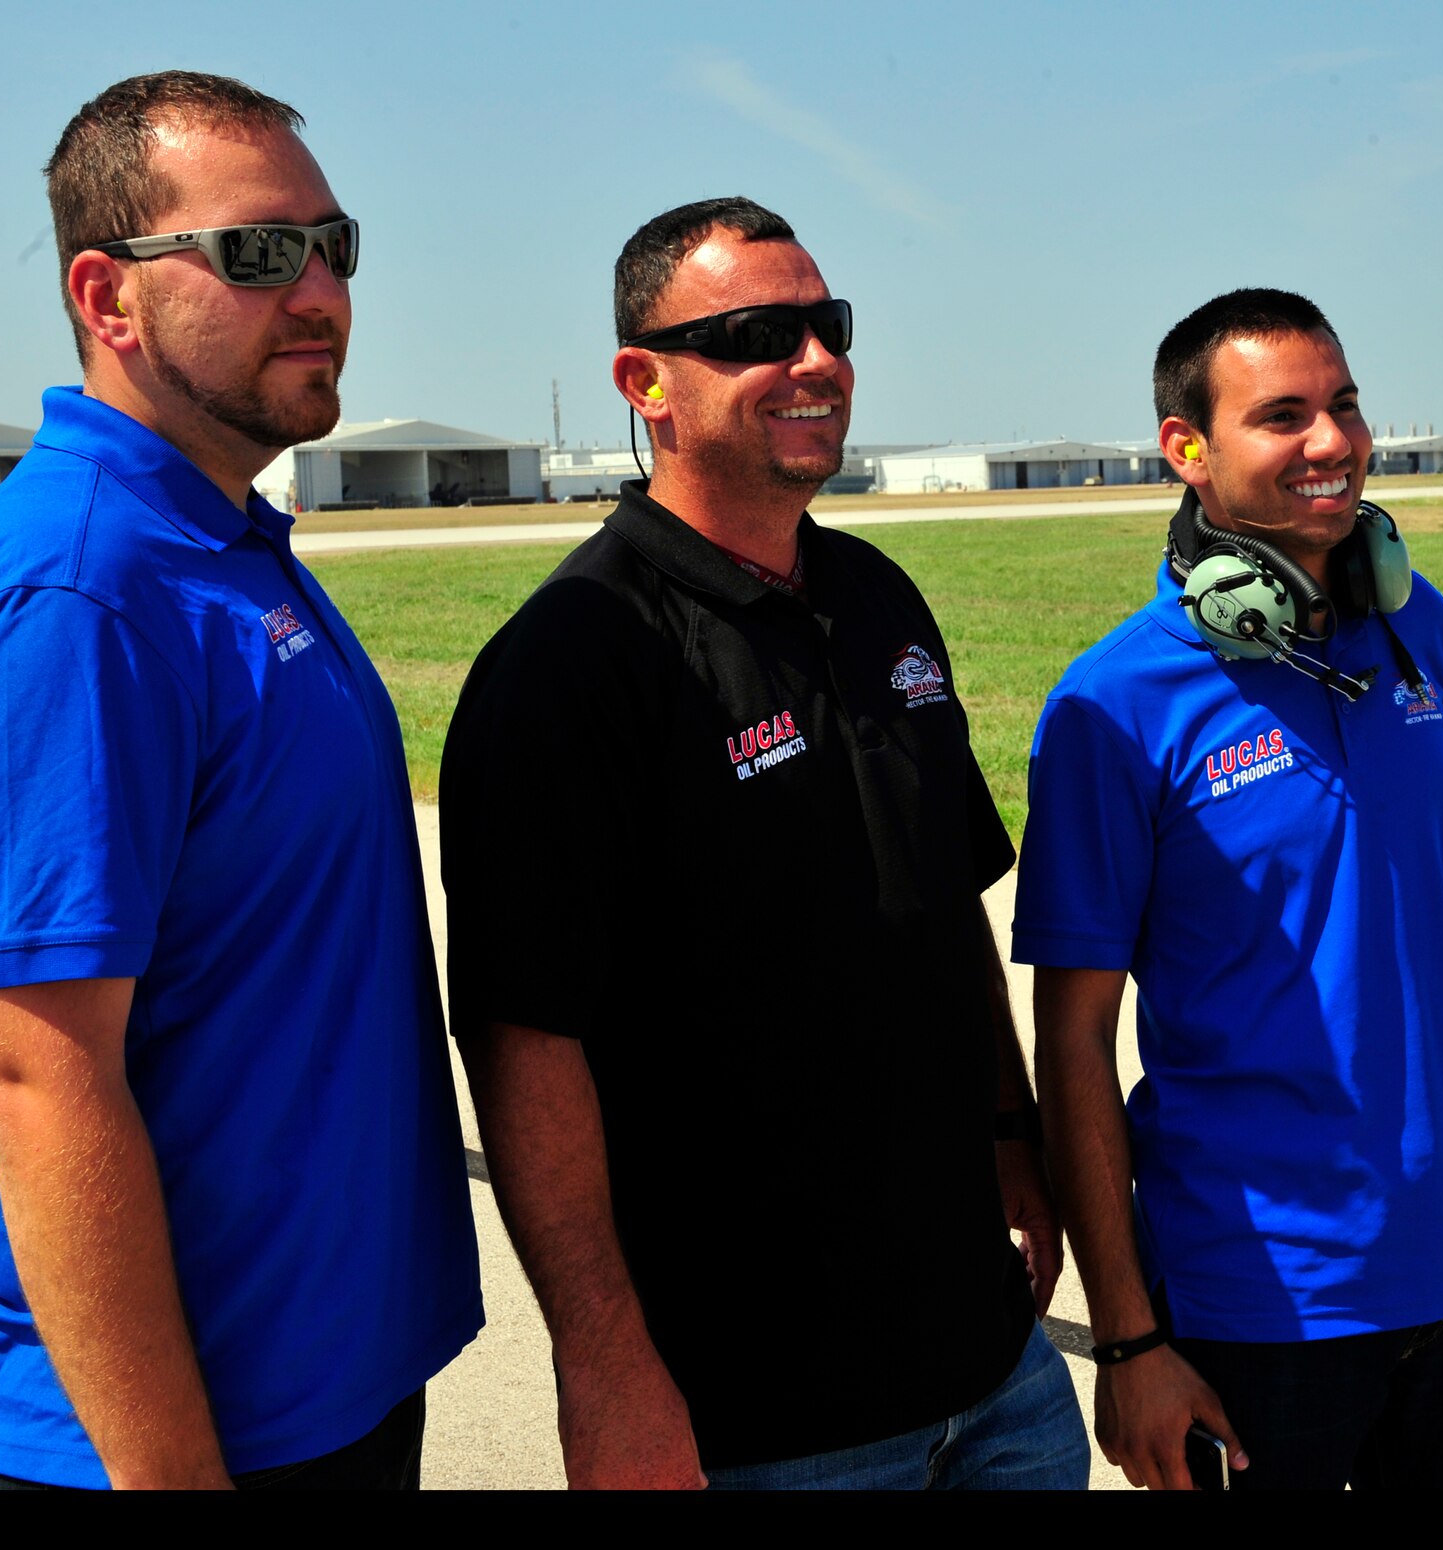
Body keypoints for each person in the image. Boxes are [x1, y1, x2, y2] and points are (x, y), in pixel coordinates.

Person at [439, 197, 1089, 1492]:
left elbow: (944, 899)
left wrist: (1014, 1129)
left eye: (826, 326)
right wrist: (603, 1363)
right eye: (756, 333)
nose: (813, 361)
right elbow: (524, 1036)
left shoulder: (875, 596)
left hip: (996, 1372)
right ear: (646, 384)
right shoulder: (574, 660)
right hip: (764, 1420)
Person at [0, 71, 482, 1490]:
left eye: (334, 245)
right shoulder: (75, 586)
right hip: (182, 1440)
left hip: (331, 1391)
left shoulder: (221, 540)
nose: (320, 290)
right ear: (108, 298)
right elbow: (38, 1072)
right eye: (258, 252)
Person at [1013, 288, 1443, 1491]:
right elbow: (1076, 1042)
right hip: (1258, 1308)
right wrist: (1131, 1339)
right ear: (1186, 451)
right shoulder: (1115, 704)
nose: (1331, 443)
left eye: (1343, 405)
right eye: (1284, 416)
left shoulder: (1419, 630)